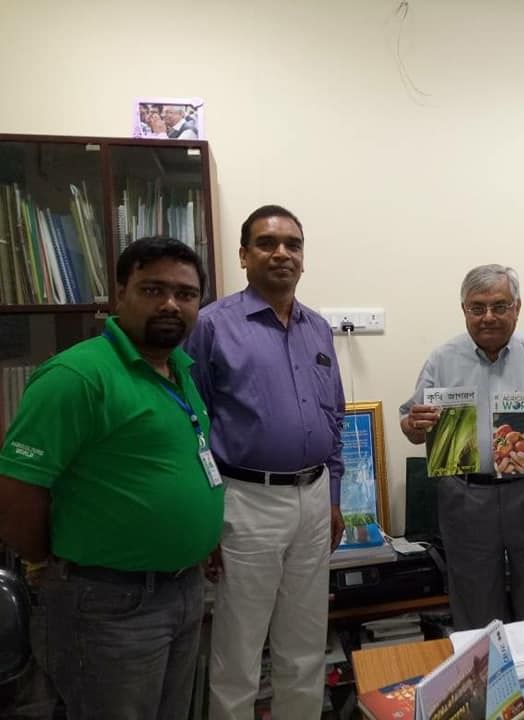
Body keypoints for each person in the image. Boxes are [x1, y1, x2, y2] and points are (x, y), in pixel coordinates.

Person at [0, 237, 222, 719]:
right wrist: (46, 562)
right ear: (120, 293)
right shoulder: (77, 376)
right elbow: (17, 491)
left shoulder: (180, 370)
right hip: (109, 604)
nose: (170, 303)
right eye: (153, 289)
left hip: (183, 590)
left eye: (185, 294)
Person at [183, 204, 345, 720]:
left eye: (292, 245)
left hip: (314, 498)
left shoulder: (318, 328)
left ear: (303, 258)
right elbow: (192, 426)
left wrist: (334, 497)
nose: (281, 253)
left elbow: (334, 415)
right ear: (244, 255)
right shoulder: (211, 325)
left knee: (305, 645)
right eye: (267, 243)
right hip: (245, 500)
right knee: (239, 651)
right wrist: (207, 515)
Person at [399, 264, 524, 630]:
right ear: (464, 310)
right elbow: (410, 425)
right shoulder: (442, 359)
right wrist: (415, 423)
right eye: (477, 308)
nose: (488, 317)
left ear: (517, 307)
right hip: (467, 499)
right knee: (476, 615)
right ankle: (489, 687)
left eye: (499, 306)